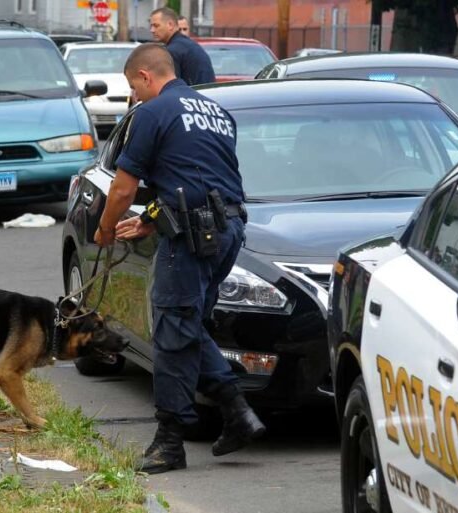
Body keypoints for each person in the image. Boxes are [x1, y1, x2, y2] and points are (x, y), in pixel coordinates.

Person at [93, 43, 264, 474]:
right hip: (228, 230)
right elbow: (196, 177)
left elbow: (124, 189)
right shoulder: (216, 112)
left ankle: (171, 440)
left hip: (192, 238)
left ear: (147, 77)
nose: (134, 96)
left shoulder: (152, 113)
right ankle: (236, 412)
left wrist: (106, 227)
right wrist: (153, 220)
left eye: (134, 87)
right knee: (187, 326)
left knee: (172, 329)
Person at [150, 7, 215, 86]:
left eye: (156, 26)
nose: (152, 30)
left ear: (170, 25)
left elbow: (172, 87)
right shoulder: (186, 44)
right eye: (151, 26)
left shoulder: (173, 50)